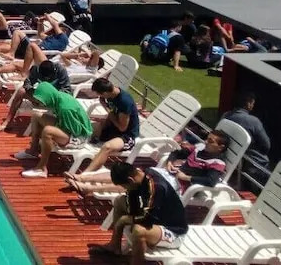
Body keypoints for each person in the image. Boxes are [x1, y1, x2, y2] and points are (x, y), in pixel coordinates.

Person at [70, 129, 230, 197]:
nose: (206, 142)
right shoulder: (200, 148)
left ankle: (89, 188)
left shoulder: (217, 163)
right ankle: (83, 178)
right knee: (129, 172)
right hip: (168, 174)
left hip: (179, 186)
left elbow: (210, 181)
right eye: (207, 138)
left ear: (220, 147)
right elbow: (177, 152)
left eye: (211, 141)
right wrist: (170, 161)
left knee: (136, 183)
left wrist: (186, 177)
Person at [89, 162, 188, 263]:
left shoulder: (156, 186)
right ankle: (115, 246)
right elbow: (134, 207)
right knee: (119, 201)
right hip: (156, 220)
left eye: (125, 186)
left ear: (130, 180)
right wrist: (131, 207)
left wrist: (123, 220)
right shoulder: (139, 177)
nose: (125, 189)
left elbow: (148, 219)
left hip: (174, 232)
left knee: (139, 230)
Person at [14, 81, 93, 177]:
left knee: (48, 131)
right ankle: (33, 151)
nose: (39, 102)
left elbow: (75, 130)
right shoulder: (58, 97)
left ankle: (41, 168)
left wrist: (51, 132)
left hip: (78, 137)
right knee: (36, 115)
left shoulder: (65, 108)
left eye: (41, 100)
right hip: (69, 128)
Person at [66, 77, 141, 177]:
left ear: (105, 93)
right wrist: (104, 124)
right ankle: (67, 143)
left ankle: (84, 175)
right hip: (112, 128)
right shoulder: (111, 94)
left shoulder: (125, 102)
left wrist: (109, 112)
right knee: (84, 127)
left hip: (126, 136)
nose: (99, 97)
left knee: (107, 147)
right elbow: (109, 111)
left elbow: (122, 128)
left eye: (99, 94)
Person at [0, 52, 73, 132]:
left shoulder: (61, 71)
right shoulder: (36, 69)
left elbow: (67, 90)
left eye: (49, 78)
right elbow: (27, 83)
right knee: (21, 91)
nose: (46, 80)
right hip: (40, 96)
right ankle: (8, 121)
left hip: (55, 99)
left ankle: (62, 126)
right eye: (44, 78)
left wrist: (53, 95)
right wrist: (33, 92)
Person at [220, 91, 271, 182]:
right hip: (248, 163)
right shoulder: (253, 122)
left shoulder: (225, 116)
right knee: (262, 160)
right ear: (248, 103)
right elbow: (266, 146)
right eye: (252, 103)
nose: (253, 106)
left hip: (229, 157)